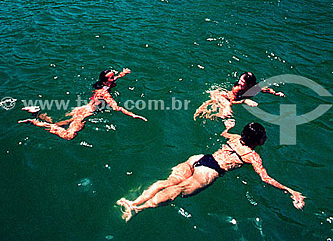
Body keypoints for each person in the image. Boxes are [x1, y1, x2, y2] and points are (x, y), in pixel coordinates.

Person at [117, 119, 305, 221]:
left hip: (201, 158)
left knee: (167, 182)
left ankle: (133, 201)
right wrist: (291, 191)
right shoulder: (253, 156)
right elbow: (265, 178)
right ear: (257, 140)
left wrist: (227, 123)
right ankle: (137, 209)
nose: (265, 138)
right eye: (264, 137)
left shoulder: (235, 137)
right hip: (210, 171)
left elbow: (224, 133)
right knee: (176, 192)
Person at [18, 68, 147, 140]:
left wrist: (122, 74)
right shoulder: (104, 93)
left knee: (57, 124)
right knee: (68, 136)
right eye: (112, 77)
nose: (114, 78)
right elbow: (116, 107)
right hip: (85, 114)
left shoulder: (103, 86)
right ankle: (34, 121)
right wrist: (133, 115)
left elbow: (113, 81)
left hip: (81, 109)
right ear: (105, 81)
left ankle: (37, 113)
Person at [194, 72, 284, 120]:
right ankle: (203, 113)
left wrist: (276, 93)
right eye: (240, 80)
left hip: (234, 97)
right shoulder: (237, 89)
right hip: (225, 96)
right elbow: (232, 101)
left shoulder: (255, 88)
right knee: (227, 111)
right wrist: (244, 101)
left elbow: (266, 89)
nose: (239, 82)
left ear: (250, 85)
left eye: (242, 82)